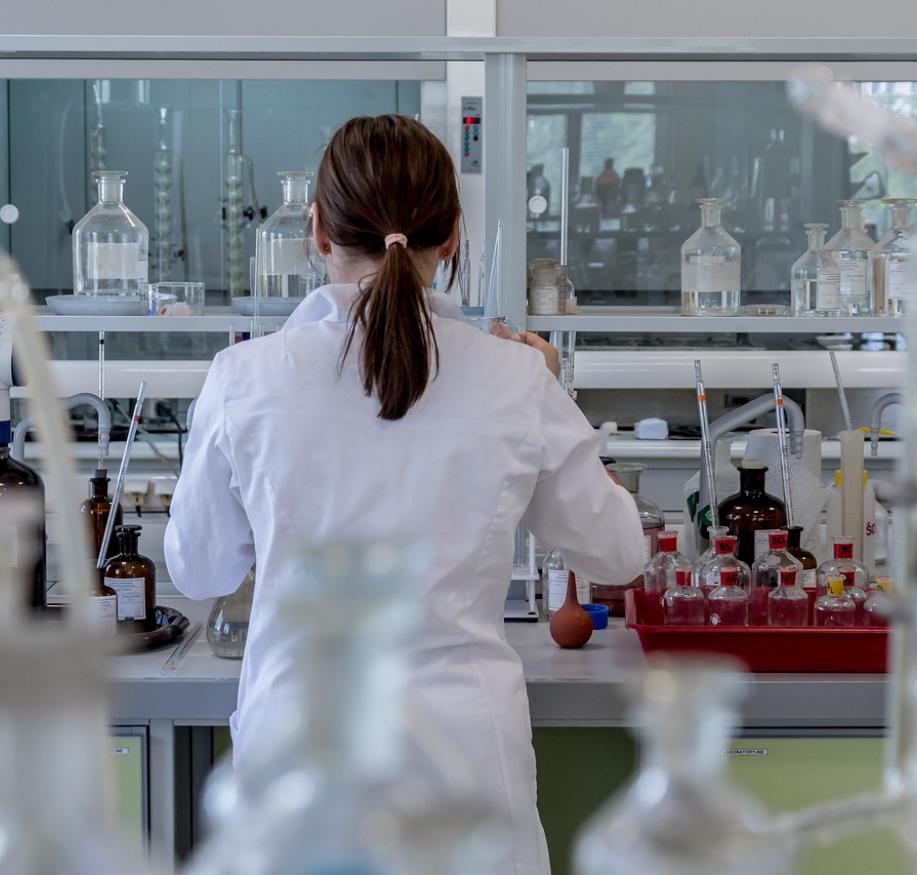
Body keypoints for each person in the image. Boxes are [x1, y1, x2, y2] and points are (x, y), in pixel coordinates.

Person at [164, 115, 645, 874]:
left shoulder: (243, 378)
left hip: (298, 772)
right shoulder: (516, 377)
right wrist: (557, 393)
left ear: (317, 230)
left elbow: (199, 572)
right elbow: (618, 551)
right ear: (451, 234)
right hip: (468, 775)